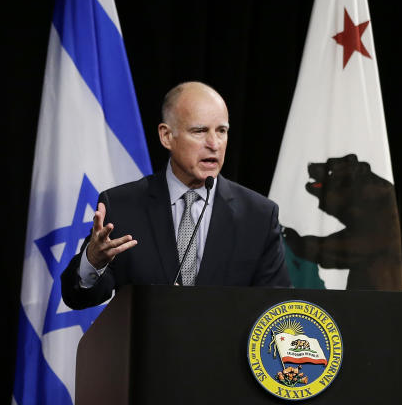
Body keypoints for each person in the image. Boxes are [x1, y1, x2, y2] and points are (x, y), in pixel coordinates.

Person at [61, 81, 290, 309]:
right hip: (148, 345)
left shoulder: (259, 215)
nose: (214, 144)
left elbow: (277, 308)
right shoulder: (121, 206)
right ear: (166, 136)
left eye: (222, 131)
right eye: (199, 131)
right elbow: (79, 298)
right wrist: (93, 262)